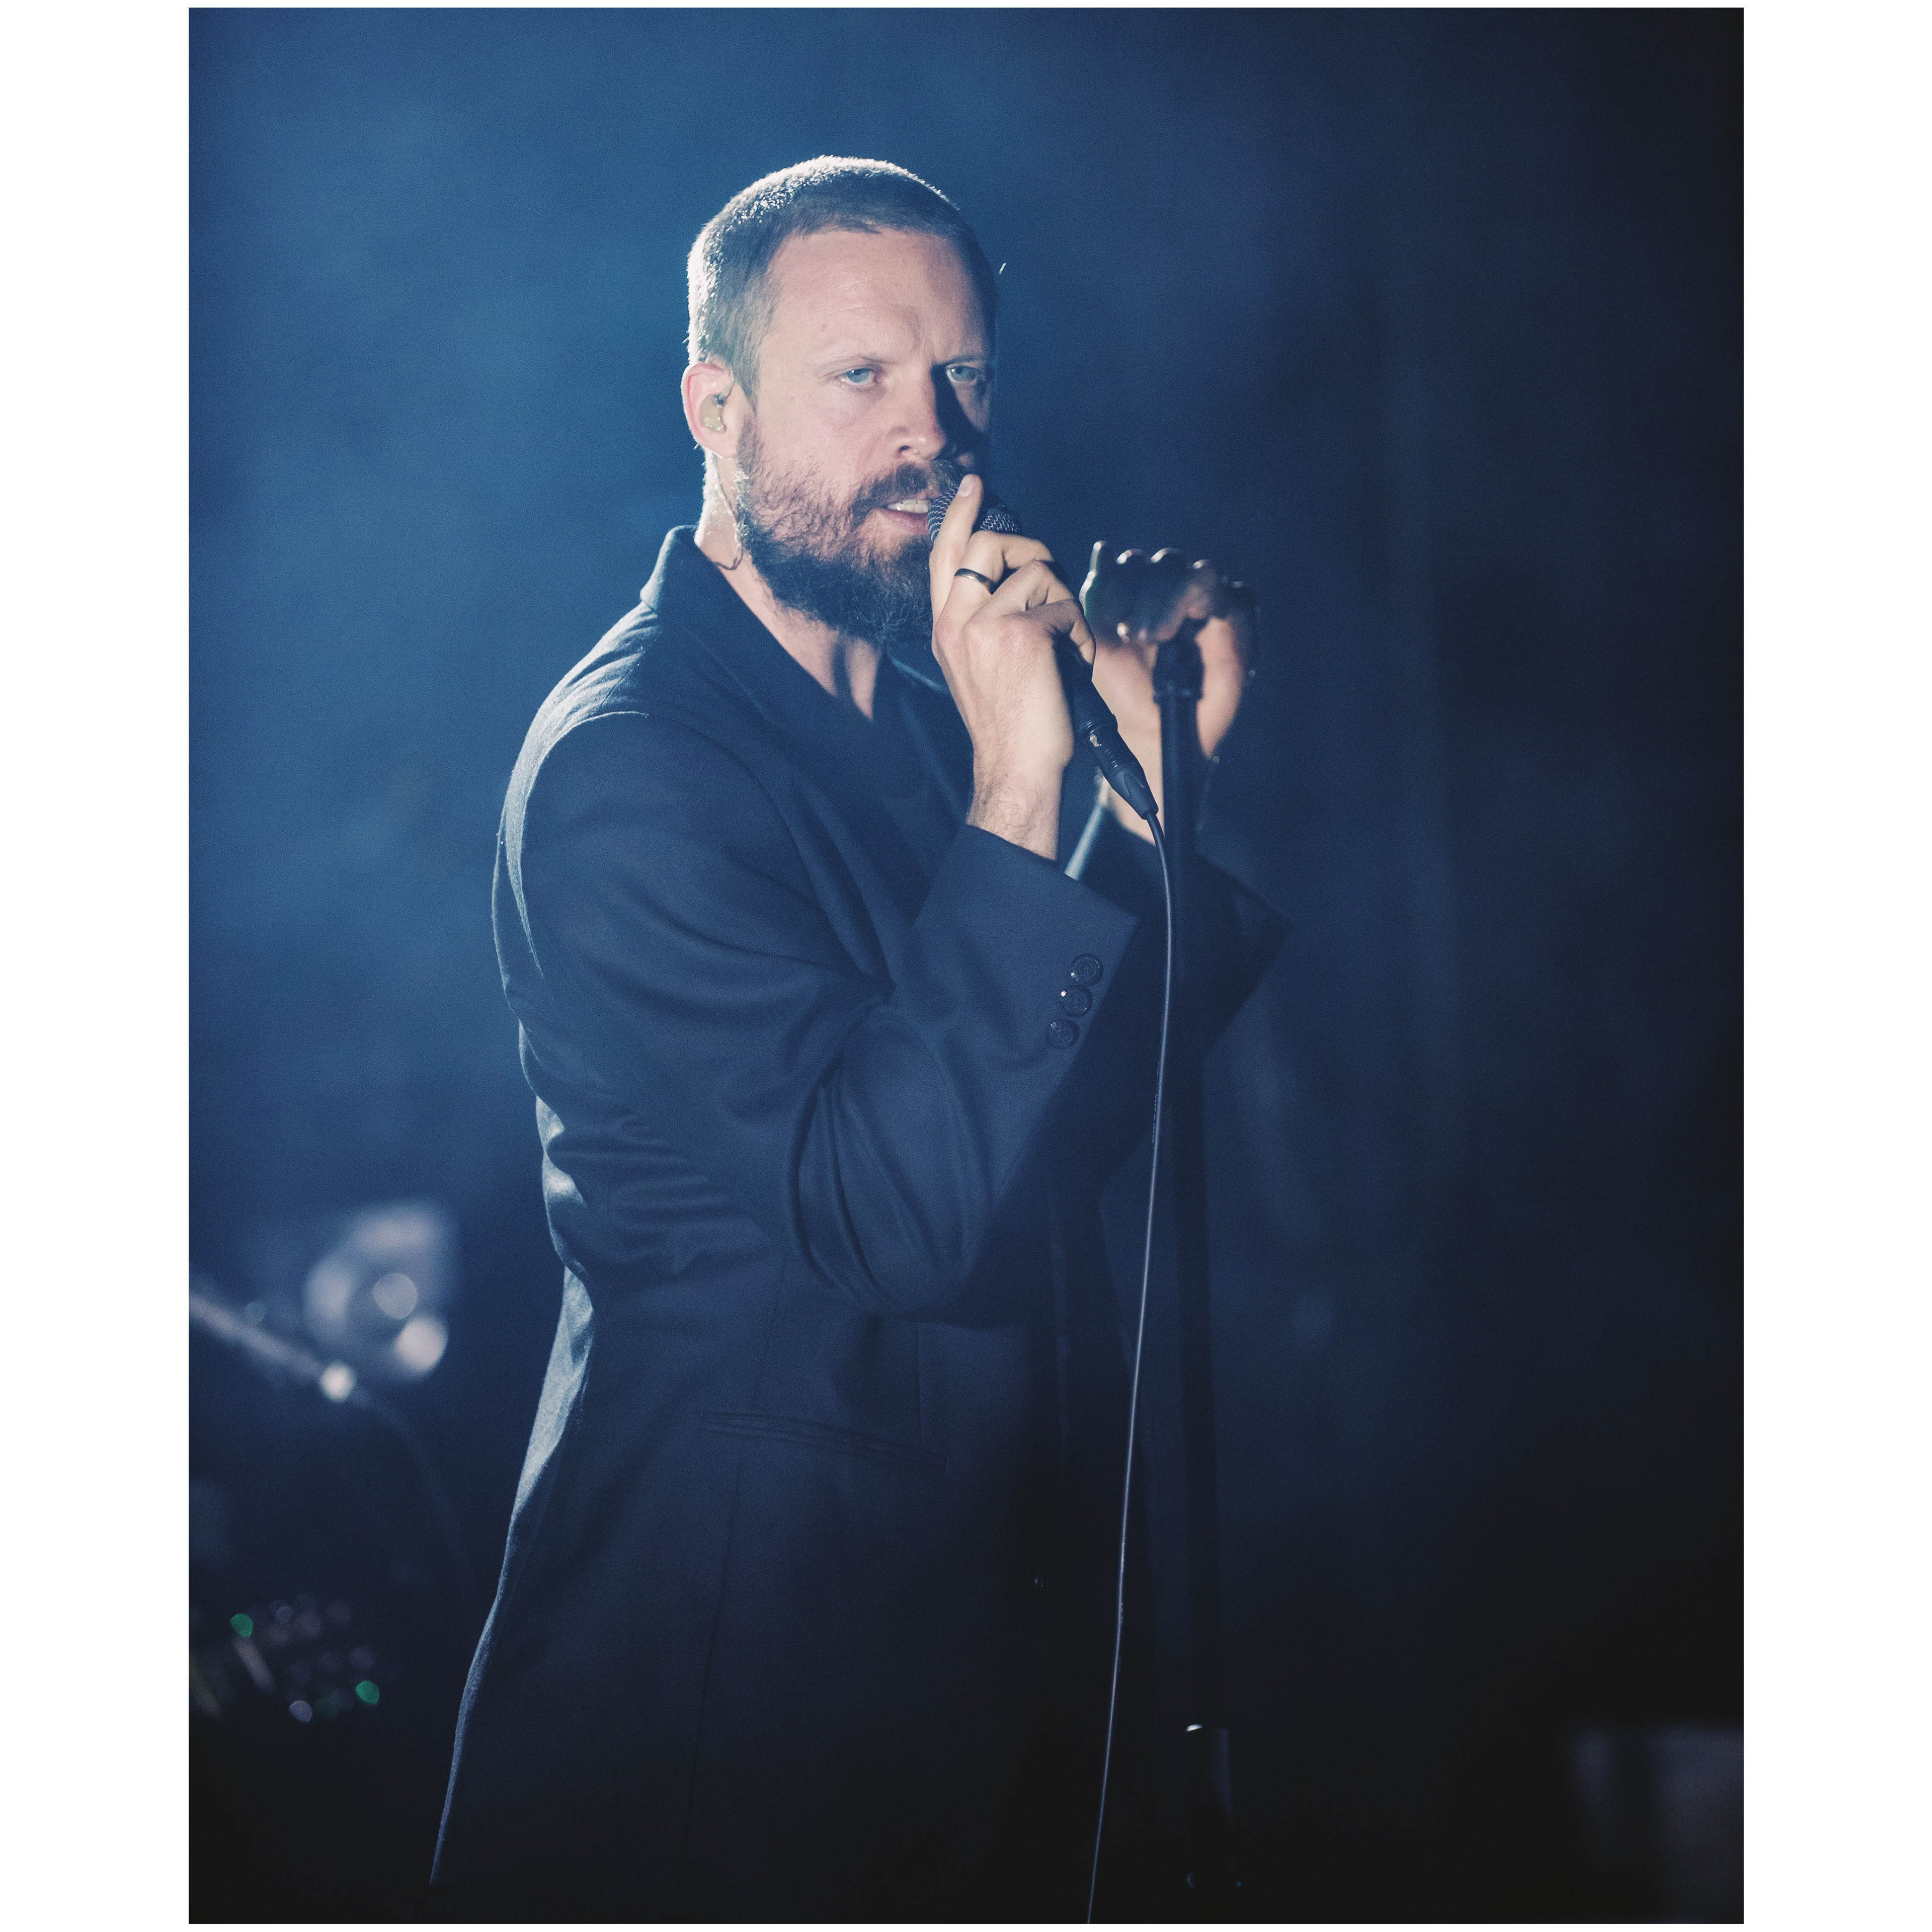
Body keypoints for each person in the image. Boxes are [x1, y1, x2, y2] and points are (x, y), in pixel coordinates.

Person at [431, 156, 1280, 1921]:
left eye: (962, 375)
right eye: (861, 378)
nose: (932, 437)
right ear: (716, 410)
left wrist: (1145, 793)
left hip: (977, 1694)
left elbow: (1050, 1130)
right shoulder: (625, 769)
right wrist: (1027, 780)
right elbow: (902, 1217)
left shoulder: (927, 726)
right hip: (729, 1724)